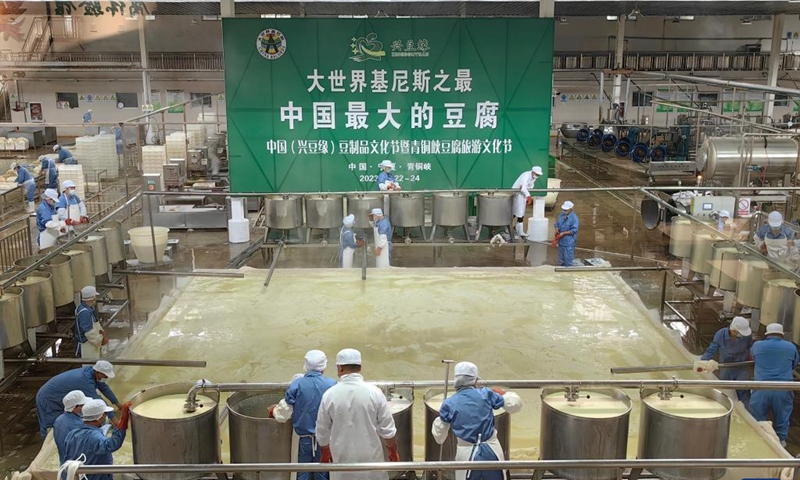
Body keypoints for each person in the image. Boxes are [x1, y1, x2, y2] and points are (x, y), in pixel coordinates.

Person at [316, 348, 399, 480]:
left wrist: (325, 452)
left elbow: (322, 430)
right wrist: (393, 452)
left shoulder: (329, 395)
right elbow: (388, 430)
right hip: (372, 465)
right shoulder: (375, 393)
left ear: (339, 368)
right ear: (360, 368)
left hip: (342, 465)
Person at [432, 362, 523, 480]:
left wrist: (443, 416)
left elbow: (439, 437)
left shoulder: (449, 403)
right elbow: (515, 405)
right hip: (492, 451)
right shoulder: (486, 394)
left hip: (466, 456)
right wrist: (504, 394)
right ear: (475, 380)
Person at [272, 350, 338, 480]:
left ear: (306, 366)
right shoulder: (332, 385)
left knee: (301, 472)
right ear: (324, 366)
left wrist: (273, 410)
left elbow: (283, 414)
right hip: (325, 439)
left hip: (303, 439)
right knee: (323, 471)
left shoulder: (297, 384)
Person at [35, 361, 122, 438]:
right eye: (105, 376)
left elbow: (104, 388)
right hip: (48, 398)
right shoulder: (84, 380)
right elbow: (97, 400)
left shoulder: (92, 373)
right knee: (51, 425)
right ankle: (48, 443)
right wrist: (114, 419)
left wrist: (118, 404)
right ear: (98, 373)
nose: (106, 378)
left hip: (58, 395)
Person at [750, 323, 800, 447]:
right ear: (782, 334)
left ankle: (760, 441)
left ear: (767, 334)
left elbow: (753, 360)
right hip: (783, 388)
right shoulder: (790, 347)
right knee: (782, 417)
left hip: (761, 388)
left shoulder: (757, 345)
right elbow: (794, 364)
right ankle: (781, 442)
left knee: (759, 418)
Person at [62, 399, 130, 480]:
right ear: (100, 417)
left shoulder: (72, 434)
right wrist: (123, 421)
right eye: (105, 413)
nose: (106, 416)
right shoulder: (95, 437)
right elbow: (112, 444)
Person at [694, 316, 754, 403]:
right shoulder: (720, 335)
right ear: (733, 330)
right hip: (726, 367)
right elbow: (711, 349)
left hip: (742, 367)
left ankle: (745, 413)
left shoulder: (746, 337)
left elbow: (751, 349)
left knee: (743, 392)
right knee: (727, 391)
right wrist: (703, 362)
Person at [53, 390, 89, 464]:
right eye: (82, 405)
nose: (85, 407)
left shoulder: (59, 419)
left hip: (65, 463)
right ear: (74, 407)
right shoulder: (77, 425)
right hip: (76, 465)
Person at [511, 166, 543, 239]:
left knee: (521, 212)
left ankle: (519, 230)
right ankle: (509, 228)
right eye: (537, 174)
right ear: (533, 172)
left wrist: (528, 195)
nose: (537, 176)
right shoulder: (525, 176)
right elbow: (523, 188)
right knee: (517, 212)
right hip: (517, 194)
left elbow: (530, 187)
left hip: (523, 195)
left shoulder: (533, 178)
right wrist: (529, 197)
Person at [76, 286, 108, 359]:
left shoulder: (88, 309)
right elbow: (89, 333)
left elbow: (95, 323)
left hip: (92, 344)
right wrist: (100, 341)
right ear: (92, 298)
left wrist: (101, 332)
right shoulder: (84, 312)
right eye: (95, 297)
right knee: (89, 367)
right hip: (87, 346)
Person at [553, 201, 579, 267]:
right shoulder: (561, 215)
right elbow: (557, 224)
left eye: (566, 210)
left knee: (568, 261)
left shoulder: (574, 218)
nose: (564, 211)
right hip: (561, 241)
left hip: (569, 243)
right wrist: (557, 230)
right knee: (561, 260)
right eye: (563, 210)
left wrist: (563, 233)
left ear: (571, 209)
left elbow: (574, 230)